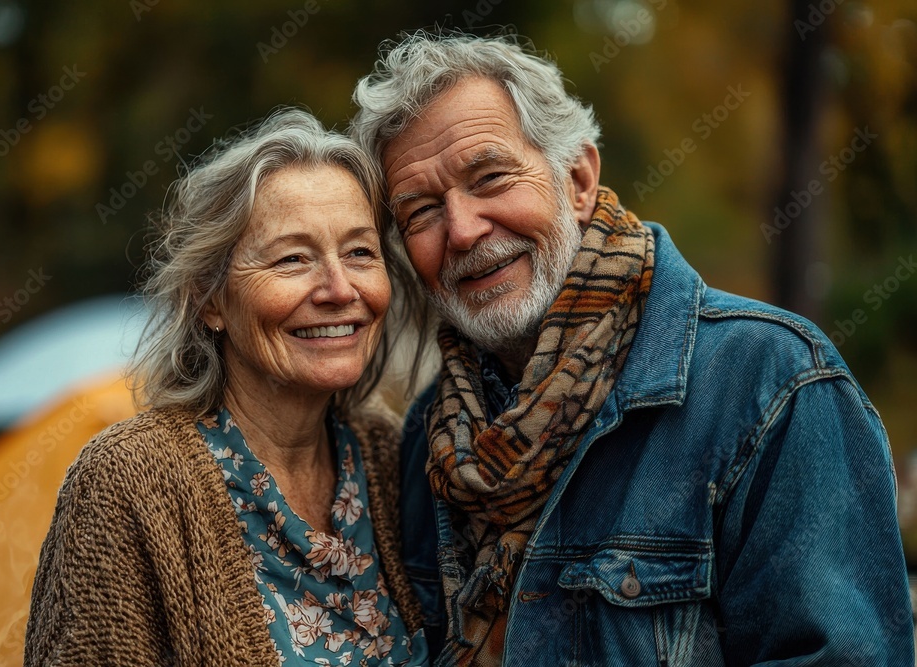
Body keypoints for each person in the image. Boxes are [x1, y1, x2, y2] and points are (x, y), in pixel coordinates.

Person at [350, 32, 914, 666]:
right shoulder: (433, 434)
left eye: (490, 177)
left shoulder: (771, 385)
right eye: (421, 211)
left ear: (579, 179)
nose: (461, 229)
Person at [25, 108, 429, 666]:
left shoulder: (390, 458)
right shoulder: (128, 482)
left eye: (360, 252)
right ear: (209, 298)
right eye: (293, 258)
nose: (340, 288)